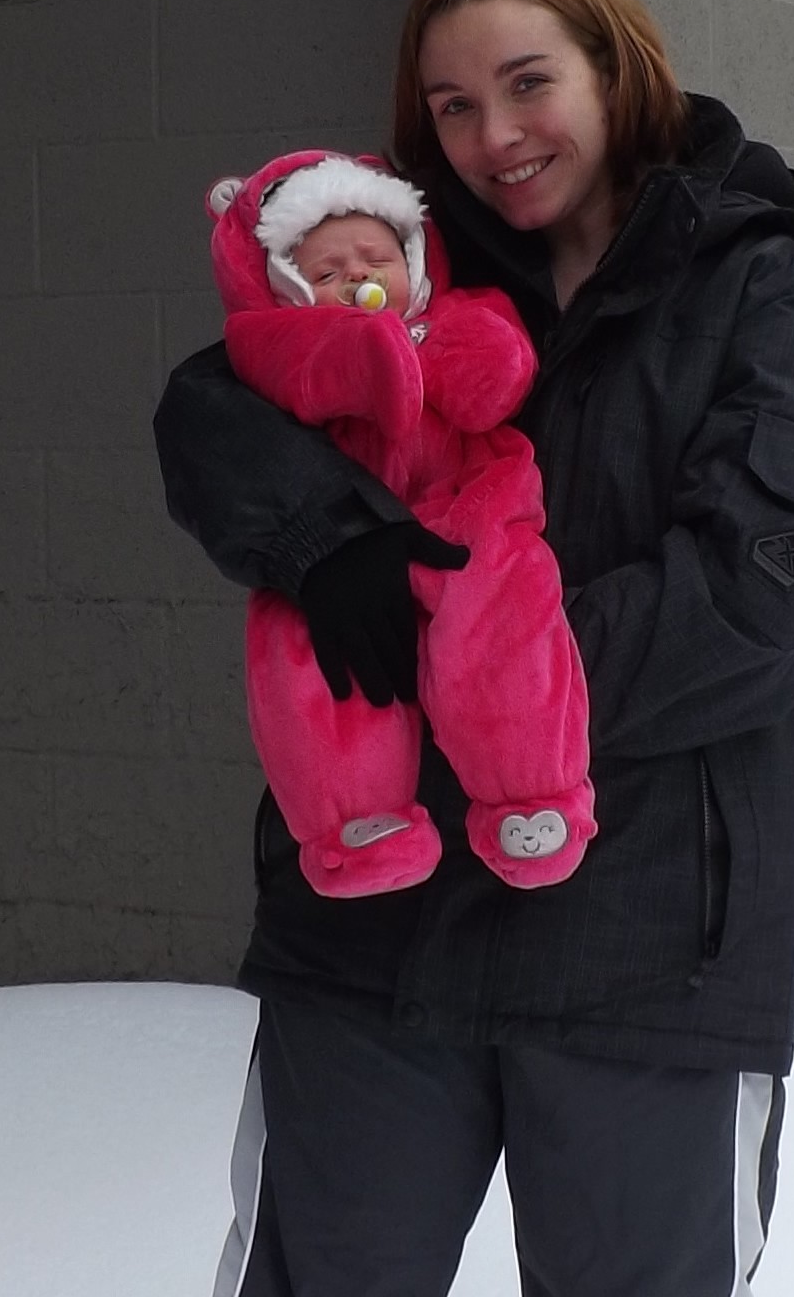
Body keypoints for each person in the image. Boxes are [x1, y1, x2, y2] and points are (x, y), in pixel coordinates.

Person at [147, 0, 794, 1297]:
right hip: (381, 920)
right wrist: (329, 553)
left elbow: (775, 587)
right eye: (451, 104)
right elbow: (209, 406)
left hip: (649, 916)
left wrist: (484, 661)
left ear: (614, 63)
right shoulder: (390, 267)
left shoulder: (758, 279)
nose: (489, 135)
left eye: (526, 83)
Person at [204, 145, 597, 901]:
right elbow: (296, 377)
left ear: (413, 258)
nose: (357, 278)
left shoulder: (461, 314)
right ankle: (358, 822)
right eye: (325, 272)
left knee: (502, 620)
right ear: (287, 288)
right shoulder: (274, 344)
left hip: (467, 512)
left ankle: (531, 794)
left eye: (375, 257)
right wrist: (365, 348)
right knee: (306, 653)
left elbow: (497, 380)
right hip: (347, 527)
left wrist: (425, 347)